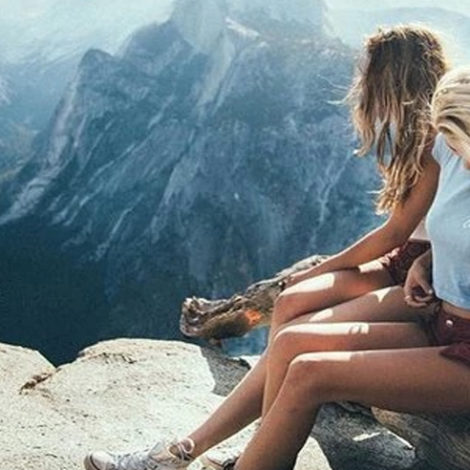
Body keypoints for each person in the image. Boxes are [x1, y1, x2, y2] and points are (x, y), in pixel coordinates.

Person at [83, 25, 449, 470]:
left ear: (394, 78)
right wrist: (312, 277)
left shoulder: (436, 143)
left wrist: (319, 270)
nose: (360, 81)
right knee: (291, 300)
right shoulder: (420, 137)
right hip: (406, 263)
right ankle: (260, 442)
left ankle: (200, 451)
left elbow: (393, 233)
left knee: (295, 328)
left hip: (422, 280)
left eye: (368, 71)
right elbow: (401, 241)